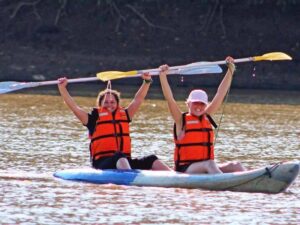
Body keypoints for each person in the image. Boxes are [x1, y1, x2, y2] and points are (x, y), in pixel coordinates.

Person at [58, 73, 172, 171]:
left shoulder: (125, 115)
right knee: (119, 156)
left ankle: (176, 177)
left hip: (124, 161)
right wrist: (62, 88)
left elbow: (138, 99)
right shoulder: (93, 119)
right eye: (106, 102)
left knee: (151, 159)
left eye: (112, 102)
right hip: (102, 164)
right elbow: (74, 107)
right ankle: (129, 179)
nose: (109, 105)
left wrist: (146, 81)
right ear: (100, 104)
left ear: (117, 104)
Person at [159, 56, 246, 174]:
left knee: (235, 165)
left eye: (202, 104)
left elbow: (220, 94)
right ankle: (223, 184)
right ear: (188, 103)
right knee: (210, 164)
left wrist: (230, 69)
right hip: (185, 169)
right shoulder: (181, 119)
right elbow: (170, 99)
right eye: (195, 103)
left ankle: (254, 181)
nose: (199, 107)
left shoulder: (207, 116)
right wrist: (163, 76)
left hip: (206, 167)